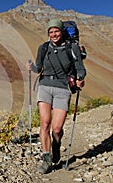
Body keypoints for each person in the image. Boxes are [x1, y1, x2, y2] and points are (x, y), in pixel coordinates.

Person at [28, 19, 86, 174]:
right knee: (45, 123)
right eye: (50, 32)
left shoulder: (72, 47)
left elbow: (80, 69)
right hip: (45, 86)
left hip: (63, 88)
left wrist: (80, 79)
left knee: (57, 128)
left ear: (61, 32)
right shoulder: (44, 48)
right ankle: (47, 159)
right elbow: (38, 68)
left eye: (56, 31)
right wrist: (31, 68)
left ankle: (56, 144)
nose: (53, 34)